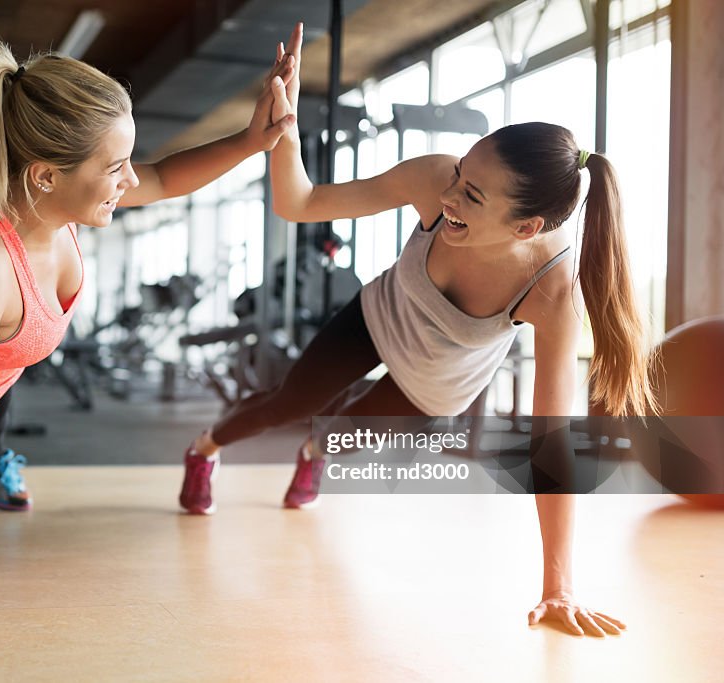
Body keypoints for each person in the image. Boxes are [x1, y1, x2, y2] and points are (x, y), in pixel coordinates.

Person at [0, 39, 296, 670]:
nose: (130, 179)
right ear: (46, 173)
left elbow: (159, 178)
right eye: (116, 167)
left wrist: (251, 140)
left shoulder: (56, 197)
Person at [178, 24, 651, 638]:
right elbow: (300, 203)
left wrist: (557, 587)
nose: (450, 194)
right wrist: (284, 131)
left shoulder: (554, 295)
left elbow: (550, 443)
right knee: (287, 404)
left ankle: (315, 452)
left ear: (526, 228)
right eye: (460, 174)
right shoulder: (435, 181)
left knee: (336, 437)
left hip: (437, 382)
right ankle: (204, 449)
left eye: (471, 195)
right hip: (380, 318)